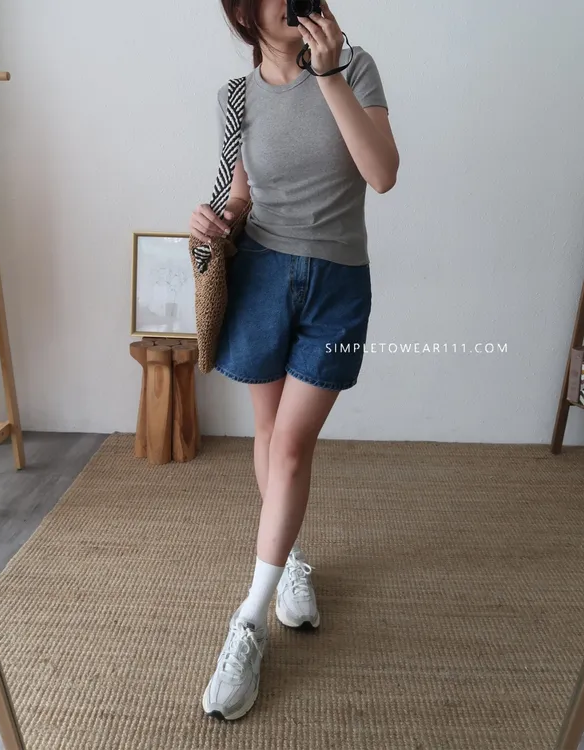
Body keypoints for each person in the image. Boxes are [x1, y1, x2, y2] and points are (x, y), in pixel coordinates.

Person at [188, 0, 399, 722]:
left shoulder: (355, 67)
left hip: (337, 284)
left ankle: (248, 617)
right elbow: (243, 195)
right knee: (270, 436)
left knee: (290, 444)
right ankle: (289, 563)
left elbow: (382, 174)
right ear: (246, 13)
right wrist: (219, 219)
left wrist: (330, 73)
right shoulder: (237, 97)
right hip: (262, 279)